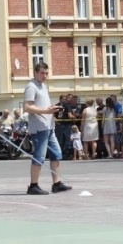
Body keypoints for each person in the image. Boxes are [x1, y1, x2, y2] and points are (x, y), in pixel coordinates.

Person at [23, 62, 72, 195]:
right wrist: (46, 110)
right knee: (39, 156)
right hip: (39, 128)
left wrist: (52, 108)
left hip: (48, 126)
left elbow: (44, 105)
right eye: (42, 73)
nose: (44, 75)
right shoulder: (31, 87)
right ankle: (33, 186)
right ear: (35, 73)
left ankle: (56, 184)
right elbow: (27, 107)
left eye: (46, 73)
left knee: (56, 153)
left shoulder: (43, 86)